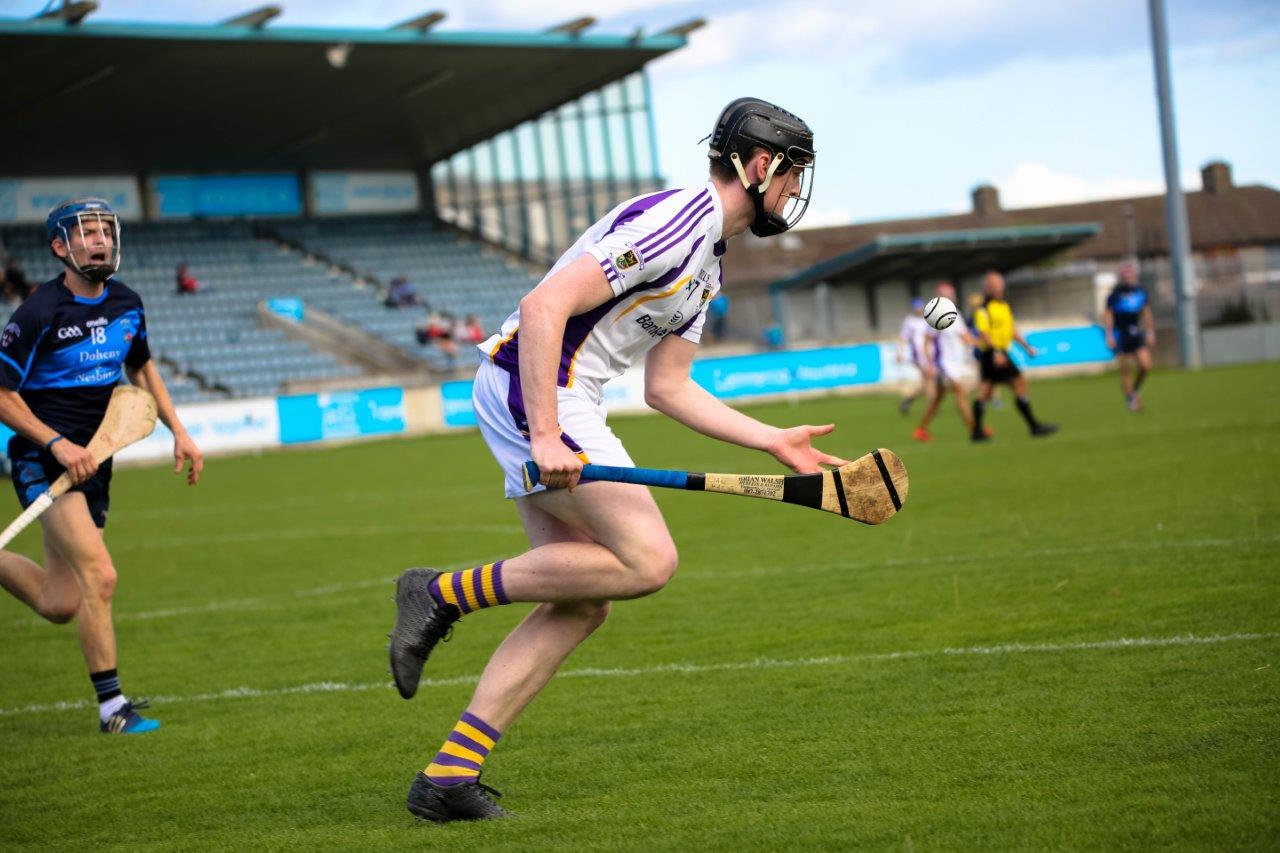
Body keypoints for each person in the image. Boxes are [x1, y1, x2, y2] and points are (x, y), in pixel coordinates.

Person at [388, 98, 841, 823]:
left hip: (563, 398)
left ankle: (447, 777)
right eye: (792, 175)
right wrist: (545, 434)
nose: (794, 191)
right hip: (538, 387)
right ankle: (441, 591)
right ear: (760, 166)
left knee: (581, 601)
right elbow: (543, 308)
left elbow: (668, 388)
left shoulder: (708, 263)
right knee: (649, 559)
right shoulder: (678, 222)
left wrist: (770, 439)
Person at [0, 198, 204, 734]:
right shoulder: (38, 313)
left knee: (59, 602)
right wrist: (57, 444)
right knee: (101, 574)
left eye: (104, 232)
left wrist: (179, 431)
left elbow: (141, 368)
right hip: (45, 461)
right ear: (60, 247)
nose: (99, 241)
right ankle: (113, 710)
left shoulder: (127, 303)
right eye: (86, 233)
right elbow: (2, 396)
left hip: (96, 462)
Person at [970, 270, 1057, 442]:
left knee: (984, 392)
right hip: (993, 353)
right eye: (995, 285)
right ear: (987, 288)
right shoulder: (983, 310)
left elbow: (1011, 330)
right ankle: (1034, 426)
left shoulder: (1003, 306)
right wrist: (996, 352)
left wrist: (1026, 347)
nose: (999, 288)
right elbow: (984, 333)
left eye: (1000, 284)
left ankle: (977, 433)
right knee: (1018, 383)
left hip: (999, 352)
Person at [914, 282, 982, 441]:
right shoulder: (936, 314)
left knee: (938, 399)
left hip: (956, 363)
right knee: (960, 395)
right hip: (944, 364)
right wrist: (929, 364)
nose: (951, 296)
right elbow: (927, 341)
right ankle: (975, 430)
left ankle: (921, 429)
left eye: (951, 294)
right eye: (947, 294)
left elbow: (965, 336)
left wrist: (982, 343)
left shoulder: (956, 315)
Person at [1102, 261, 1155, 412]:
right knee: (1126, 370)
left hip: (1135, 331)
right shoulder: (1115, 294)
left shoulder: (1141, 291)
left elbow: (1146, 312)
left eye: (1130, 275)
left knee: (1145, 366)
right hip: (1120, 334)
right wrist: (1109, 335)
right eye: (1125, 276)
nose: (1128, 279)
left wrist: (1151, 332)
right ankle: (1131, 400)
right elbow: (1108, 314)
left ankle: (1135, 390)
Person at [897, 298, 935, 416]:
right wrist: (900, 352)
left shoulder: (928, 319)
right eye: (916, 307)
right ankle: (931, 407)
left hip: (930, 353)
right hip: (919, 355)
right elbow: (903, 337)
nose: (919, 310)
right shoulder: (909, 322)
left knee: (927, 383)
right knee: (929, 379)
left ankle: (907, 399)